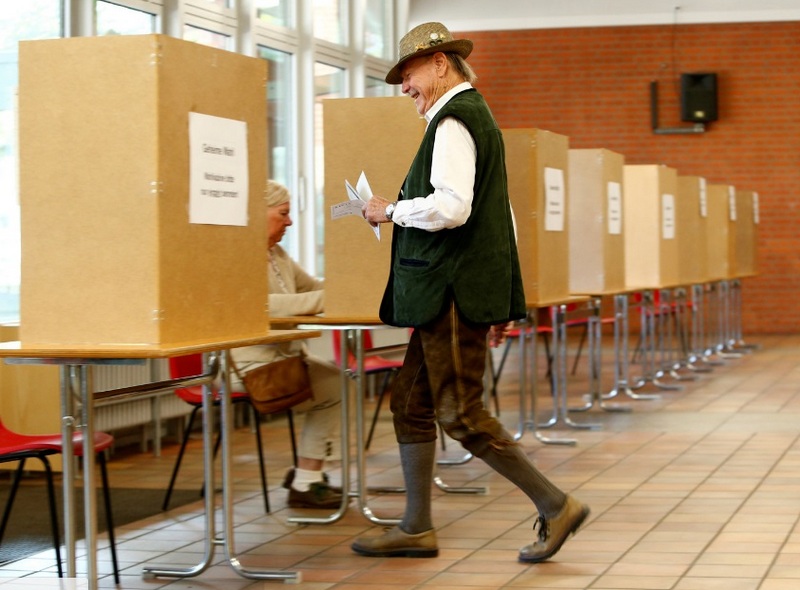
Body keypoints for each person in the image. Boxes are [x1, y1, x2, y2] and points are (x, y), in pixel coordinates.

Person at [352, 22, 590, 563]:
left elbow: (454, 208)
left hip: (450, 294)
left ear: (439, 63)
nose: (404, 86)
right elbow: (496, 217)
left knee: (460, 414)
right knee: (411, 403)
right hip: (456, 295)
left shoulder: (455, 119)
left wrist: (389, 210)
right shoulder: (470, 118)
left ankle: (557, 505)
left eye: (408, 74)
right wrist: (502, 295)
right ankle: (415, 528)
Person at [230, 180, 342, 509]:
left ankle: (308, 477)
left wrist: (352, 282)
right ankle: (307, 480)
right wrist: (329, 297)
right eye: (283, 214)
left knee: (336, 383)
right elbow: (261, 306)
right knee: (334, 386)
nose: (289, 222)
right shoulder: (236, 256)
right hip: (251, 366)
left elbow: (312, 286)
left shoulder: (276, 254)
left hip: (282, 359)